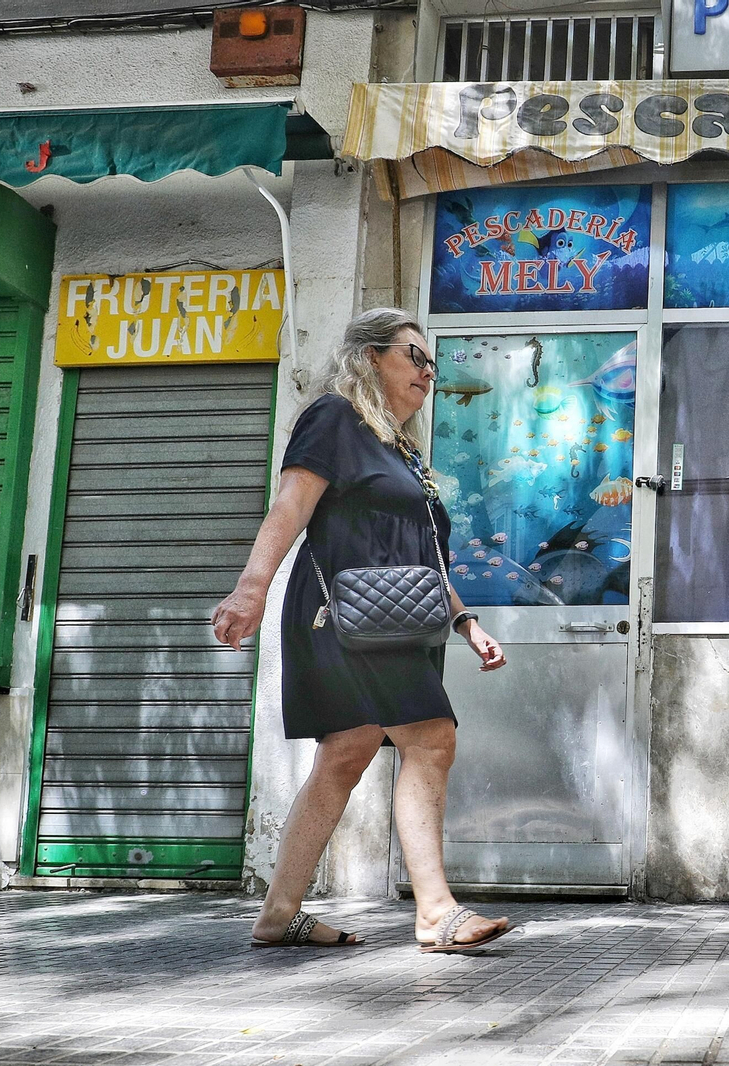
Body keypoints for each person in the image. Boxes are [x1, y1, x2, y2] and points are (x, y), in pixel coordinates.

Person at [211, 307, 512, 952]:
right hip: (342, 615)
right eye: (415, 356)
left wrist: (465, 621)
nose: (429, 373)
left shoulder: (402, 448)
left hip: (398, 618)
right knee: (430, 738)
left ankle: (278, 914)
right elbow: (290, 505)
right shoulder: (334, 418)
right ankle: (436, 912)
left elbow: (420, 550)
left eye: (432, 362)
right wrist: (250, 588)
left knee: (343, 757)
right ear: (372, 356)